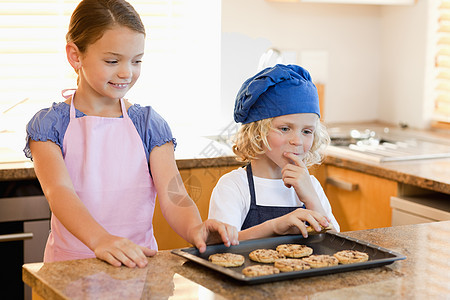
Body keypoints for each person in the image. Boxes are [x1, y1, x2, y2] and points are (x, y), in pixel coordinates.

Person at [24, 0, 238, 268]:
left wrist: (195, 227)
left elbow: (174, 194)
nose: (127, 72)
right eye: (112, 61)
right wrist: (101, 240)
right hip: (71, 267)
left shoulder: (148, 124)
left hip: (137, 265)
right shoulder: (50, 126)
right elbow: (59, 192)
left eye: (137, 61)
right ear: (75, 56)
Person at [208, 64, 340, 241]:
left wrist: (312, 199)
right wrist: (275, 227)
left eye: (307, 131)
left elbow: (335, 243)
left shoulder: (311, 185)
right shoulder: (233, 187)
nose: (297, 141)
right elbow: (221, 246)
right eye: (285, 128)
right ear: (256, 133)